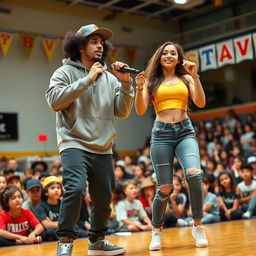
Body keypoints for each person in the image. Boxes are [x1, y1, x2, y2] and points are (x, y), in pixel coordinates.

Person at [45, 23, 134, 256]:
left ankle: (97, 241)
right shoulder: (63, 72)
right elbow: (55, 102)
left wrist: (126, 84)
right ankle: (65, 240)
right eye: (94, 41)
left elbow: (122, 112)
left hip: (103, 146)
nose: (99, 46)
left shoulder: (111, 78)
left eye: (101, 43)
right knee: (74, 189)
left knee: (104, 197)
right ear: (80, 46)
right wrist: (88, 79)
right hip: (73, 141)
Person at [134, 41, 208, 250]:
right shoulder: (151, 81)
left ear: (178, 58)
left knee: (194, 174)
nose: (168, 55)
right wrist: (139, 87)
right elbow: (140, 110)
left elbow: (200, 102)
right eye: (165, 53)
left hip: (185, 130)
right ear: (159, 57)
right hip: (161, 134)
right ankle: (156, 231)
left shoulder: (186, 78)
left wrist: (195, 75)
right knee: (165, 187)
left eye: (173, 53)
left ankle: (198, 226)